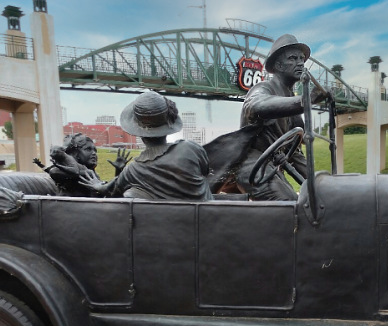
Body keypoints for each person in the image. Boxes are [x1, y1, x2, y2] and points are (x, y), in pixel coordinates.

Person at [233, 34, 327, 201]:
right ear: (278, 65)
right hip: (253, 168)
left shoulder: (289, 99)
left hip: (273, 168)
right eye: (292, 58)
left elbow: (296, 153)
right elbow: (255, 105)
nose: (300, 63)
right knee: (289, 203)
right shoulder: (263, 88)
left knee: (307, 202)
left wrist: (323, 184)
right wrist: (304, 100)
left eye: (301, 59)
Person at [81, 91, 213, 201]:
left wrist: (98, 185)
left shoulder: (133, 170)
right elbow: (205, 172)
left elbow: (110, 191)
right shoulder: (191, 149)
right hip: (207, 221)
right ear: (168, 124)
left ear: (138, 131)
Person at [41, 133, 131, 197]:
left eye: (95, 150)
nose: (94, 153)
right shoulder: (61, 172)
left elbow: (111, 197)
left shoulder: (92, 175)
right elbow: (55, 173)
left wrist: (118, 172)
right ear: (74, 153)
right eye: (88, 149)